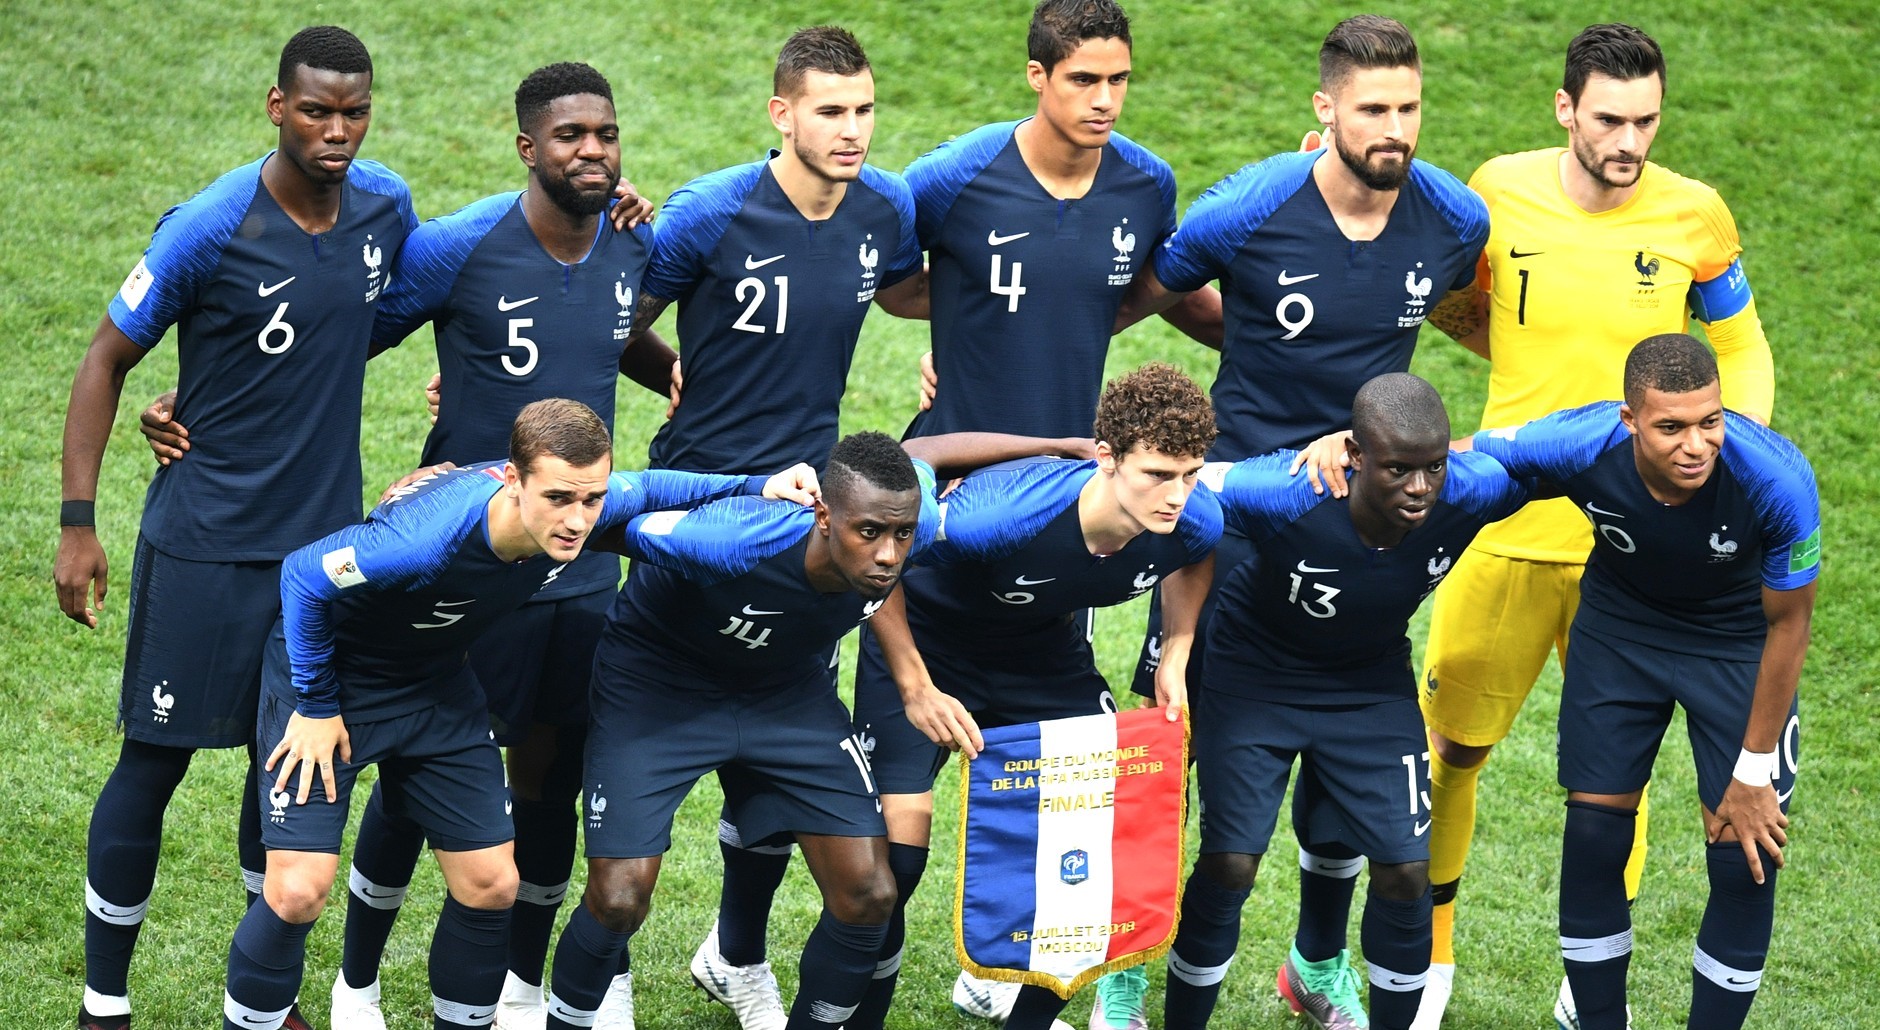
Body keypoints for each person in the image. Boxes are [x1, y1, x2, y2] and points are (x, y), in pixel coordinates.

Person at [284, 61, 674, 1030]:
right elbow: (343, 339)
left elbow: (613, 334)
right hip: (466, 565)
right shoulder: (459, 246)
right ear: (526, 147)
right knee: (423, 774)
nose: (591, 150)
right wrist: (209, 398)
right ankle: (357, 981)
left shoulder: (630, 243)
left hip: (579, 566)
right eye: (569, 135)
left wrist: (674, 373)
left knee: (549, 771)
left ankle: (517, 984)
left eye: (605, 134)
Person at [219, 398, 817, 1030]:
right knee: (298, 891)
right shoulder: (425, 539)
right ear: (512, 480)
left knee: (492, 883)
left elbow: (655, 485)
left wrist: (760, 484)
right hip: (336, 680)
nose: (578, 520)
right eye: (559, 498)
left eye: (591, 500)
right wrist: (315, 705)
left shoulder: (583, 500)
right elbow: (305, 576)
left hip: (436, 681)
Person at [1409, 25, 1777, 1027]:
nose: (1627, 140)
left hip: (1632, 548)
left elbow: (1741, 351)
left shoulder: (1693, 215)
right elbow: (1456, 305)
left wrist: (1721, 452)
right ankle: (1429, 961)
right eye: (1608, 119)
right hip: (1506, 524)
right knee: (1449, 745)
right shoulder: (1498, 189)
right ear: (1564, 108)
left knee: (1617, 767)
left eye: (1645, 120)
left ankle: (1589, 974)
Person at [53, 26, 414, 1030]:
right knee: (154, 761)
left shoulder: (385, 207)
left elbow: (391, 303)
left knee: (286, 770)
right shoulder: (210, 227)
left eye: (353, 112)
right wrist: (78, 524)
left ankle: (263, 1004)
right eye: (316, 111)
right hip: (204, 548)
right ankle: (101, 1003)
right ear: (275, 106)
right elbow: (100, 361)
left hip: (318, 561)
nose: (336, 131)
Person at [625, 26, 924, 1029]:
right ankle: (605, 959)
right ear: (781, 113)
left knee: (775, 734)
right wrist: (664, 371)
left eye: (863, 110)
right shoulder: (707, 213)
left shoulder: (884, 212)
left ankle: (734, 956)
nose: (851, 130)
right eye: (830, 111)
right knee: (643, 727)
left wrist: (950, 365)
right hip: (696, 508)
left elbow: (922, 291)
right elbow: (613, 314)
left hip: (810, 521)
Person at [846, 364, 1222, 1030]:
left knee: (1106, 851)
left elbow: (1194, 558)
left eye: (1190, 473)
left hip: (1040, 655)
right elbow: (877, 549)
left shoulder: (1191, 520)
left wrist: (1178, 652)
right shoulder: (997, 518)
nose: (1177, 495)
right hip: (929, 641)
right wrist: (915, 686)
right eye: (1158, 475)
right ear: (1106, 459)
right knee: (889, 873)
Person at [1462, 335, 1816, 1030]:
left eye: (1709, 421)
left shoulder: (1776, 479)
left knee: (1745, 854)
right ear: (1629, 421)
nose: (1696, 444)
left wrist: (1753, 771)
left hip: (1739, 644)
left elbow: (1791, 627)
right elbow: (1471, 449)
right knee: (1593, 838)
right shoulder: (1580, 440)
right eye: (1671, 427)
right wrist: (1358, 445)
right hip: (1622, 631)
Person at [540, 431, 951, 1030]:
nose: (889, 554)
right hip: (659, 684)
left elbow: (932, 454)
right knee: (619, 899)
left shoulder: (908, 520)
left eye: (901, 535)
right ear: (824, 518)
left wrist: (1067, 445)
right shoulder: (730, 541)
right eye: (869, 533)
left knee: (870, 895)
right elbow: (595, 522)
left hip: (785, 692)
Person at [1159, 374, 1530, 1030]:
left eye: (1433, 468)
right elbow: (1181, 490)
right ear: (1354, 456)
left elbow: (1577, 450)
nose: (1420, 489)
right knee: (1231, 860)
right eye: (1398, 470)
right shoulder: (1289, 490)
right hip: (1255, 676)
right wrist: (1180, 644)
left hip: (1368, 684)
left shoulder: (1473, 490)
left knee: (1406, 874)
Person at [905, 0, 1219, 442]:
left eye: (1119, 79)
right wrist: (964, 338)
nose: (1105, 101)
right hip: (954, 464)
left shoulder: (1148, 187)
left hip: (1072, 463)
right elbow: (884, 281)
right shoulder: (951, 177)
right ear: (1038, 75)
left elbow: (1144, 289)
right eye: (1083, 80)